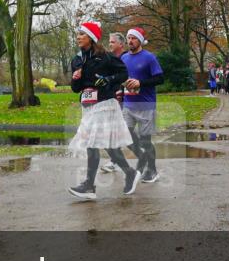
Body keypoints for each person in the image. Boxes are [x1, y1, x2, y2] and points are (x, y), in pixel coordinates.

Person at [67, 21, 140, 200]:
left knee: (93, 143)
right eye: (78, 34)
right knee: (106, 145)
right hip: (88, 107)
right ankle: (130, 173)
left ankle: (89, 186)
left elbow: (123, 74)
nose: (78, 37)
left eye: (82, 34)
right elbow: (76, 89)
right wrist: (75, 78)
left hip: (105, 105)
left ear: (91, 38)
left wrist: (108, 79)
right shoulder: (77, 60)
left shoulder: (105, 57)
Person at [120, 27, 164, 183]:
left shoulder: (149, 57)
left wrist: (140, 83)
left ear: (140, 40)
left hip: (146, 105)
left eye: (133, 38)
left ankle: (152, 170)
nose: (130, 41)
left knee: (146, 140)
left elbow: (160, 79)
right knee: (125, 135)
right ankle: (143, 157)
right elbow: (120, 77)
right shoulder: (124, 58)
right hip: (128, 104)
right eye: (128, 38)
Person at [98, 32, 128, 175]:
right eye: (109, 42)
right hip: (111, 99)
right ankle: (115, 161)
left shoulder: (126, 58)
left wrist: (121, 90)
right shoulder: (109, 59)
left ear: (121, 44)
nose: (109, 44)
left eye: (112, 42)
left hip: (126, 101)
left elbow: (127, 76)